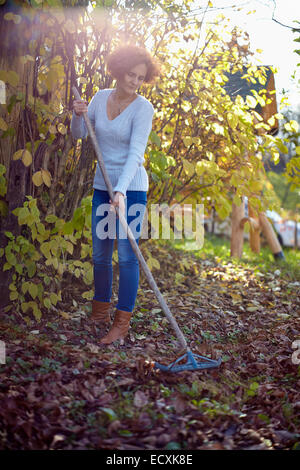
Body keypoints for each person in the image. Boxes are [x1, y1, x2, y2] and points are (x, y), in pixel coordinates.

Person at [71, 45, 160, 345]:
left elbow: (136, 153)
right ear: (119, 69)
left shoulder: (143, 108)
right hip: (102, 186)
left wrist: (121, 191)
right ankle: (99, 314)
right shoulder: (98, 98)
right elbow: (80, 135)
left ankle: (121, 324)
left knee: (126, 257)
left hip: (131, 189)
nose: (134, 81)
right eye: (131, 74)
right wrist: (77, 115)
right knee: (100, 256)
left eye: (140, 77)